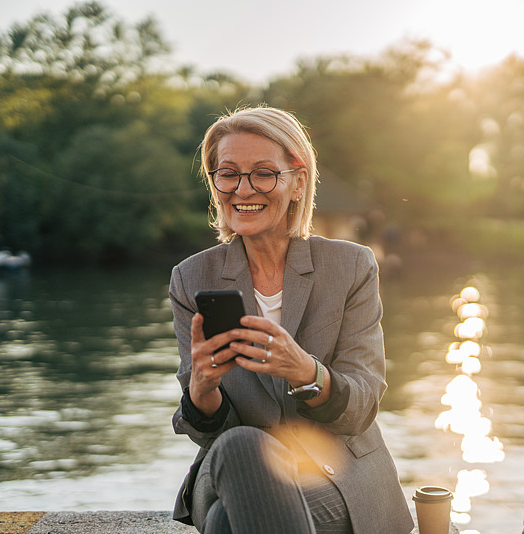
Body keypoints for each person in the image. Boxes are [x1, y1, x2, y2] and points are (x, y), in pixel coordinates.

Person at [169, 106, 414, 534]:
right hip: (231, 470)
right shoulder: (191, 278)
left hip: (336, 478)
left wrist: (305, 371)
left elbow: (361, 407)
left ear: (298, 181)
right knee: (240, 445)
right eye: (228, 174)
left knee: (228, 524)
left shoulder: (352, 266)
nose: (243, 189)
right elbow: (204, 428)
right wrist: (202, 389)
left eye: (263, 173)